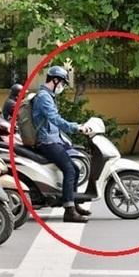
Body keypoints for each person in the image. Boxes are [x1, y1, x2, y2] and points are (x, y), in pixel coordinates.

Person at [31, 66, 92, 223]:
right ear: (55, 80)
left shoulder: (48, 96)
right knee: (69, 169)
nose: (63, 87)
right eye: (63, 83)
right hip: (47, 142)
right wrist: (75, 127)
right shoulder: (44, 97)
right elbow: (55, 119)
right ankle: (69, 211)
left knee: (76, 168)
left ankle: (74, 203)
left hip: (54, 139)